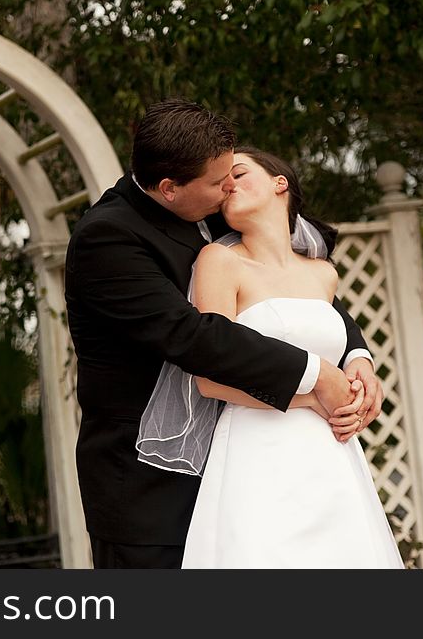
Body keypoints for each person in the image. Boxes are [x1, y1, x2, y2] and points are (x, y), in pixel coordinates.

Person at [64, 99, 383, 569]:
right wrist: (315, 377)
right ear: (169, 188)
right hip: (151, 491)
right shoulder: (107, 239)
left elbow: (297, 290)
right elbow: (193, 337)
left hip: (244, 468)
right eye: (220, 181)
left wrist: (356, 355)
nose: (230, 186)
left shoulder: (214, 209)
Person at [145, 146, 403, 568]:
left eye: (240, 173)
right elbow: (209, 378)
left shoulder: (323, 274)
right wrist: (315, 395)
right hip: (258, 452)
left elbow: (338, 338)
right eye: (222, 181)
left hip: (331, 454)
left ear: (279, 183)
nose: (228, 183)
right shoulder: (219, 262)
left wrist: (360, 369)